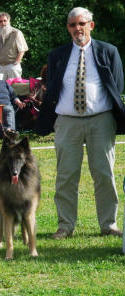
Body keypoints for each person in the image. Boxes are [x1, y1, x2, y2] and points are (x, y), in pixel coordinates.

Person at [36, 7, 125, 239]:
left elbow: (117, 84)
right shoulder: (57, 55)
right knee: (65, 175)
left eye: (82, 23)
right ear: (68, 28)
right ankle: (65, 226)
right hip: (67, 121)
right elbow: (53, 87)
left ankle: (109, 224)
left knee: (104, 174)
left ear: (91, 25)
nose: (78, 28)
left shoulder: (109, 51)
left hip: (101, 120)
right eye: (73, 24)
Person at [0, 62, 25, 133]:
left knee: (8, 109)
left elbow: (13, 96)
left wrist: (19, 102)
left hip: (6, 105)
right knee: (4, 109)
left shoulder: (4, 83)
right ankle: (6, 131)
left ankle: (9, 130)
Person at [0, 12, 28, 80]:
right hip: (1, 68)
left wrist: (16, 63)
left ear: (9, 20)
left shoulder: (16, 32)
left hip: (12, 66)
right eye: (0, 21)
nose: (3, 23)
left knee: (15, 88)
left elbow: (22, 49)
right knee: (2, 89)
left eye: (5, 20)